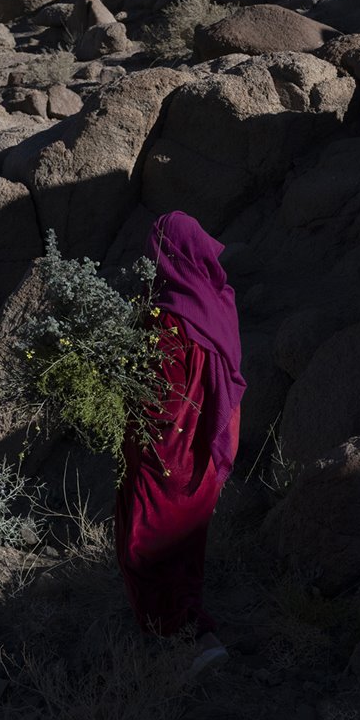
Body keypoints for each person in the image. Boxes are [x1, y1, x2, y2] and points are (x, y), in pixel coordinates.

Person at [117, 211, 246, 677]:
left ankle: (186, 642)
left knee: (149, 544)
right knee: (186, 550)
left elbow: (159, 405)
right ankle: (187, 633)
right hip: (205, 458)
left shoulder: (166, 317)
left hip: (169, 460)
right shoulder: (217, 303)